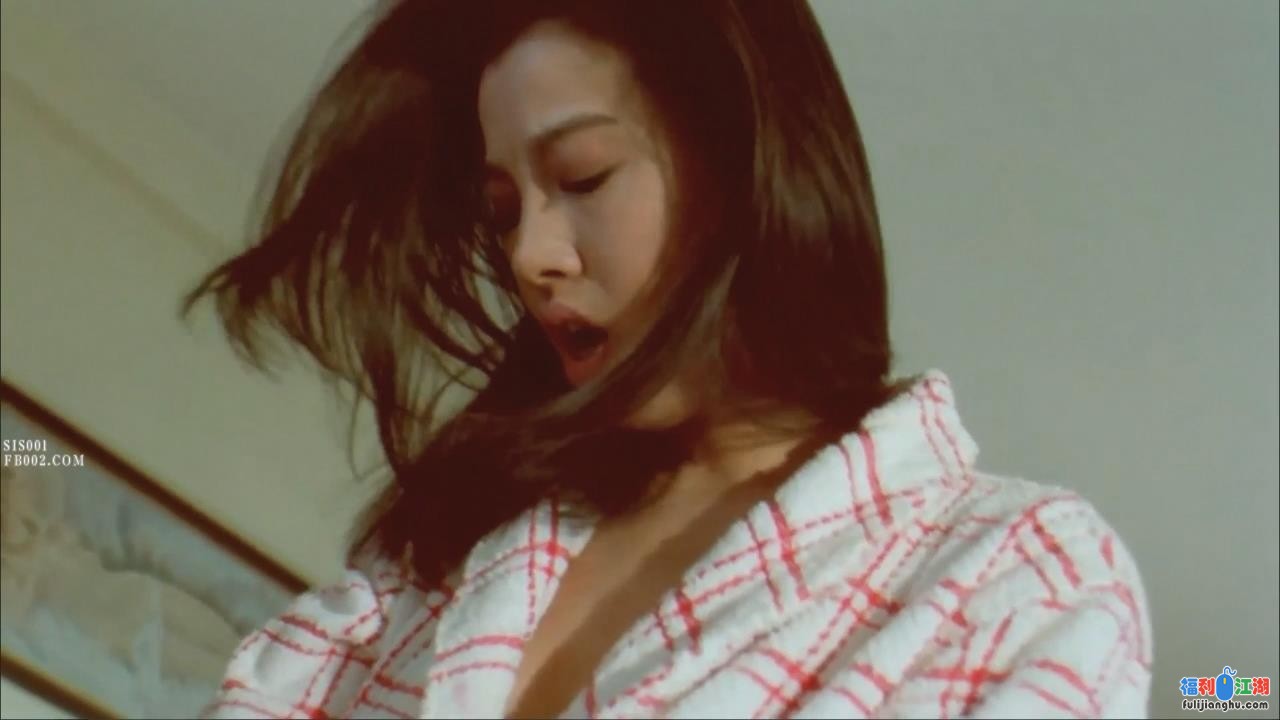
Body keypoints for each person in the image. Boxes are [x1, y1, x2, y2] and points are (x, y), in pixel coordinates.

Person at [182, 1, 1152, 717]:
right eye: (502, 213)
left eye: (583, 177)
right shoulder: (427, 570)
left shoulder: (1015, 577)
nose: (530, 256)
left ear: (743, 164)